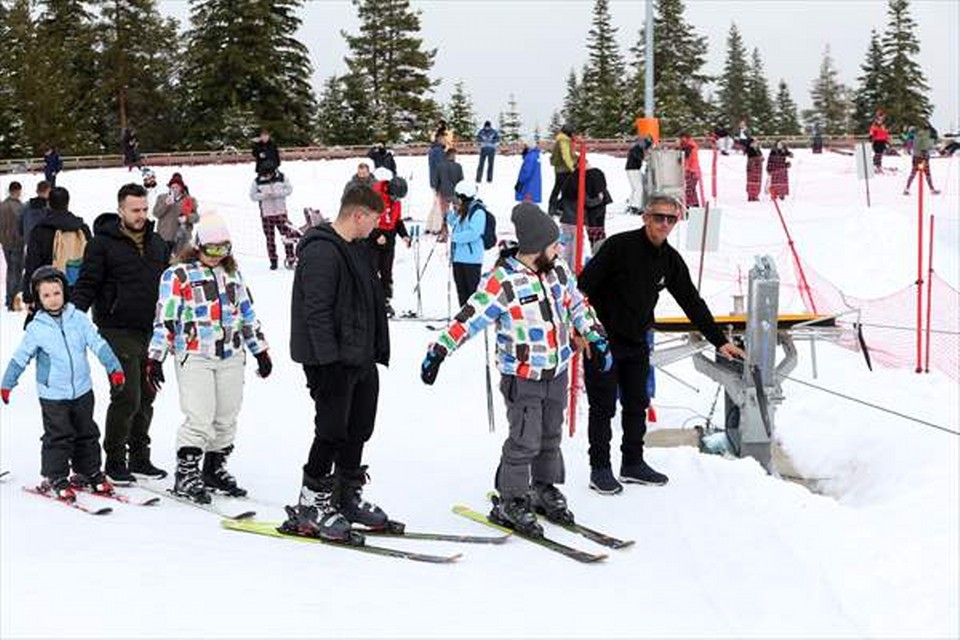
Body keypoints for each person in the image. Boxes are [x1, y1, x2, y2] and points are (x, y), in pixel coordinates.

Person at [420, 202, 610, 536]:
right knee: (525, 439)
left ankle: (543, 487)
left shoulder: (558, 271)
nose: (559, 248)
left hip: (557, 370)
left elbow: (577, 304)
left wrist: (595, 334)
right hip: (521, 376)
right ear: (537, 247)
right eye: (554, 245)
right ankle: (512, 499)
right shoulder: (503, 281)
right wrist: (439, 350)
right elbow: (470, 318)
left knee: (550, 435)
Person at [577, 193, 746, 494]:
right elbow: (579, 290)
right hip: (603, 341)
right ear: (646, 217)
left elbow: (692, 302)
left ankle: (632, 463)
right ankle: (599, 468)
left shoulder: (669, 260)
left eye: (671, 218)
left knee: (636, 405)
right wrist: (580, 331)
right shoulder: (618, 247)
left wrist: (719, 341)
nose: (664, 224)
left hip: (637, 341)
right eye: (659, 217)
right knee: (603, 408)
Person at [281, 185, 391, 542]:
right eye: (374, 219)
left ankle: (345, 496)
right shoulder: (322, 253)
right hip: (330, 360)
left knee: (359, 428)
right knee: (330, 431)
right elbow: (316, 313)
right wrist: (327, 364)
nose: (377, 226)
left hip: (360, 355)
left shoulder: (357, 249)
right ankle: (310, 504)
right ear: (358, 215)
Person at [147, 213, 271, 504]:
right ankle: (186, 473)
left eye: (223, 249)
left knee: (226, 417)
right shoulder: (177, 275)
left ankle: (214, 468)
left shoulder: (232, 274)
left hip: (231, 353)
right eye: (211, 249)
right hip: (195, 354)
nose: (216, 256)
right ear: (198, 245)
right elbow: (165, 318)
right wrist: (156, 357)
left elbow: (247, 314)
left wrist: (259, 350)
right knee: (200, 416)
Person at [71, 183, 171, 484]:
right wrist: (73, 317)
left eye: (143, 209)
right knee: (127, 394)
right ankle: (115, 458)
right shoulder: (102, 244)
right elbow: (88, 283)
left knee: (148, 393)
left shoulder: (157, 243)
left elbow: (169, 288)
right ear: (121, 210)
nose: (141, 215)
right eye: (134, 210)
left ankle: (140, 455)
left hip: (151, 330)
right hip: (115, 327)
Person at [1, 266, 125, 501]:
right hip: (53, 394)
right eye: (46, 295)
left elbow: (98, 343)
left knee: (87, 432)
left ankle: (88, 471)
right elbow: (20, 358)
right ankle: (56, 476)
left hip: (82, 389)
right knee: (58, 435)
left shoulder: (78, 318)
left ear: (64, 292)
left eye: (56, 293)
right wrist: (7, 383)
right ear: (38, 299)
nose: (53, 299)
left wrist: (114, 367)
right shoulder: (36, 327)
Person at [21, 186, 91, 308]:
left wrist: (28, 295)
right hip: (77, 290)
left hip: (47, 292)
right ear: (68, 202)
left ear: (49, 203)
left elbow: (32, 263)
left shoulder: (40, 231)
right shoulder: (82, 229)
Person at [369, 168, 411, 318]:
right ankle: (370, 301)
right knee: (372, 271)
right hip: (373, 240)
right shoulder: (375, 197)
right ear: (389, 190)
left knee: (387, 273)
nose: (396, 200)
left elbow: (397, 221)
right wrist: (376, 235)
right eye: (394, 197)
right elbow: (366, 219)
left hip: (389, 240)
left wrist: (404, 236)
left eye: (398, 198)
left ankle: (385, 302)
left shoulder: (396, 202)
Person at [560, 162, 611, 264]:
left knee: (569, 245)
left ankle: (568, 265)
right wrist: (599, 199)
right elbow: (587, 201)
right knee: (578, 244)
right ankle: (576, 266)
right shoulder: (583, 180)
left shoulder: (570, 182)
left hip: (566, 220)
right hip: (577, 219)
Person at [446, 180, 488, 306]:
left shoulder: (478, 211)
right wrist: (451, 211)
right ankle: (463, 319)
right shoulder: (463, 209)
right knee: (461, 291)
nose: (456, 198)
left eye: (457, 196)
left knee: (472, 293)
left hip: (471, 259)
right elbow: (454, 223)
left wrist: (454, 237)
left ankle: (474, 319)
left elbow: (474, 233)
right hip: (458, 258)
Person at [250, 167, 297, 269]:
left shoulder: (282, 177)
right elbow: (252, 196)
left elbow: (289, 190)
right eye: (265, 175)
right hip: (267, 214)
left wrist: (277, 194)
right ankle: (273, 261)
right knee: (270, 239)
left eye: (269, 174)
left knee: (287, 236)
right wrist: (264, 195)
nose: (267, 176)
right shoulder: (257, 181)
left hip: (281, 212)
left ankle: (290, 258)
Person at [152, 172, 199, 255]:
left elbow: (196, 217)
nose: (174, 189)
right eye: (172, 187)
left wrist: (187, 218)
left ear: (181, 188)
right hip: (164, 237)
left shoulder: (190, 200)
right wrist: (166, 204)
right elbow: (156, 213)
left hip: (182, 238)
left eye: (176, 187)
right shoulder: (162, 198)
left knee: (179, 261)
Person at [0, 182, 24, 310]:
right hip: (17, 243)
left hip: (5, 242)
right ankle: (13, 300)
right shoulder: (20, 207)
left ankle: (9, 298)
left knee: (11, 270)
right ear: (18, 191)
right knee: (16, 271)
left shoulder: (2, 205)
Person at [903, 124, 941, 195]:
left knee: (916, 172)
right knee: (924, 173)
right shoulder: (921, 135)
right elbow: (922, 145)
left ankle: (907, 188)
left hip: (919, 156)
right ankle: (931, 189)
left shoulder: (920, 135)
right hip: (920, 156)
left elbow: (927, 144)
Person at [548, 124, 576, 216]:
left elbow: (569, 154)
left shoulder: (561, 139)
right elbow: (566, 156)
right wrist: (572, 168)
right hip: (564, 169)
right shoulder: (563, 140)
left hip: (560, 169)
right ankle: (558, 208)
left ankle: (554, 208)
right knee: (566, 190)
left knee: (558, 188)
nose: (573, 135)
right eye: (572, 132)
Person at [425, 131, 447, 234]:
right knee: (439, 204)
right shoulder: (438, 151)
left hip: (434, 181)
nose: (445, 140)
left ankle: (430, 225)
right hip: (438, 181)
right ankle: (436, 227)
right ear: (439, 139)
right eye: (443, 138)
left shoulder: (434, 150)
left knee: (435, 203)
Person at [19, 181, 51, 251]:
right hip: (45, 243)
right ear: (48, 191)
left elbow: (20, 223)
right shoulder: (49, 207)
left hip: (29, 241)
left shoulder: (26, 205)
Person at [625, 135, 649, 214]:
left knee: (635, 188)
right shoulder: (637, 149)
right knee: (639, 188)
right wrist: (647, 158)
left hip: (632, 168)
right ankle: (636, 206)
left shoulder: (636, 148)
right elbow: (639, 157)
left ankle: (632, 204)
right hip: (633, 169)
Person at [514, 138, 542, 204]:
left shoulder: (530, 157)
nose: (524, 148)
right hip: (533, 184)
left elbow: (526, 172)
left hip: (528, 186)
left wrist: (520, 182)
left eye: (525, 146)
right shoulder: (535, 155)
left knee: (527, 203)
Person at [679, 132, 701, 207]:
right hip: (693, 171)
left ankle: (690, 207)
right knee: (692, 190)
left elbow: (685, 158)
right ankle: (694, 206)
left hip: (691, 171)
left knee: (689, 190)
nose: (681, 140)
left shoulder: (689, 146)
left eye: (682, 138)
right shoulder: (689, 145)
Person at [745, 137, 764, 202]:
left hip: (758, 167)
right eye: (754, 142)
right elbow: (752, 157)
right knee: (751, 180)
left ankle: (756, 195)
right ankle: (751, 195)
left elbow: (761, 156)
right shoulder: (749, 149)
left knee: (757, 181)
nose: (756, 143)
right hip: (752, 166)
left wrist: (761, 158)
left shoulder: (758, 149)